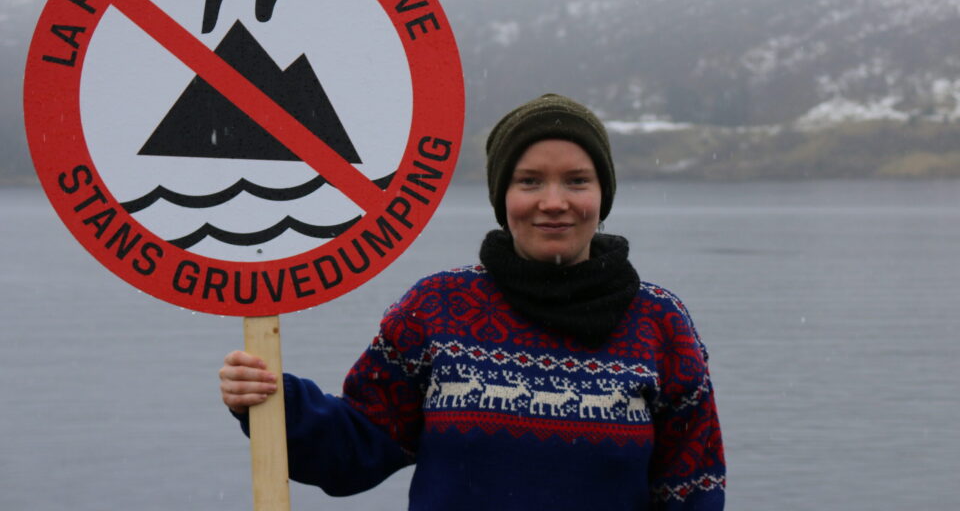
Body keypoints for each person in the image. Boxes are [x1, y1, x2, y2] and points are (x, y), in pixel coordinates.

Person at [220, 93, 726, 509]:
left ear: (603, 194)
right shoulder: (436, 306)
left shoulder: (660, 322)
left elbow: (692, 491)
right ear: (502, 195)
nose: (554, 202)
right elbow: (357, 448)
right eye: (529, 181)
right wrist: (271, 399)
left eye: (577, 181)